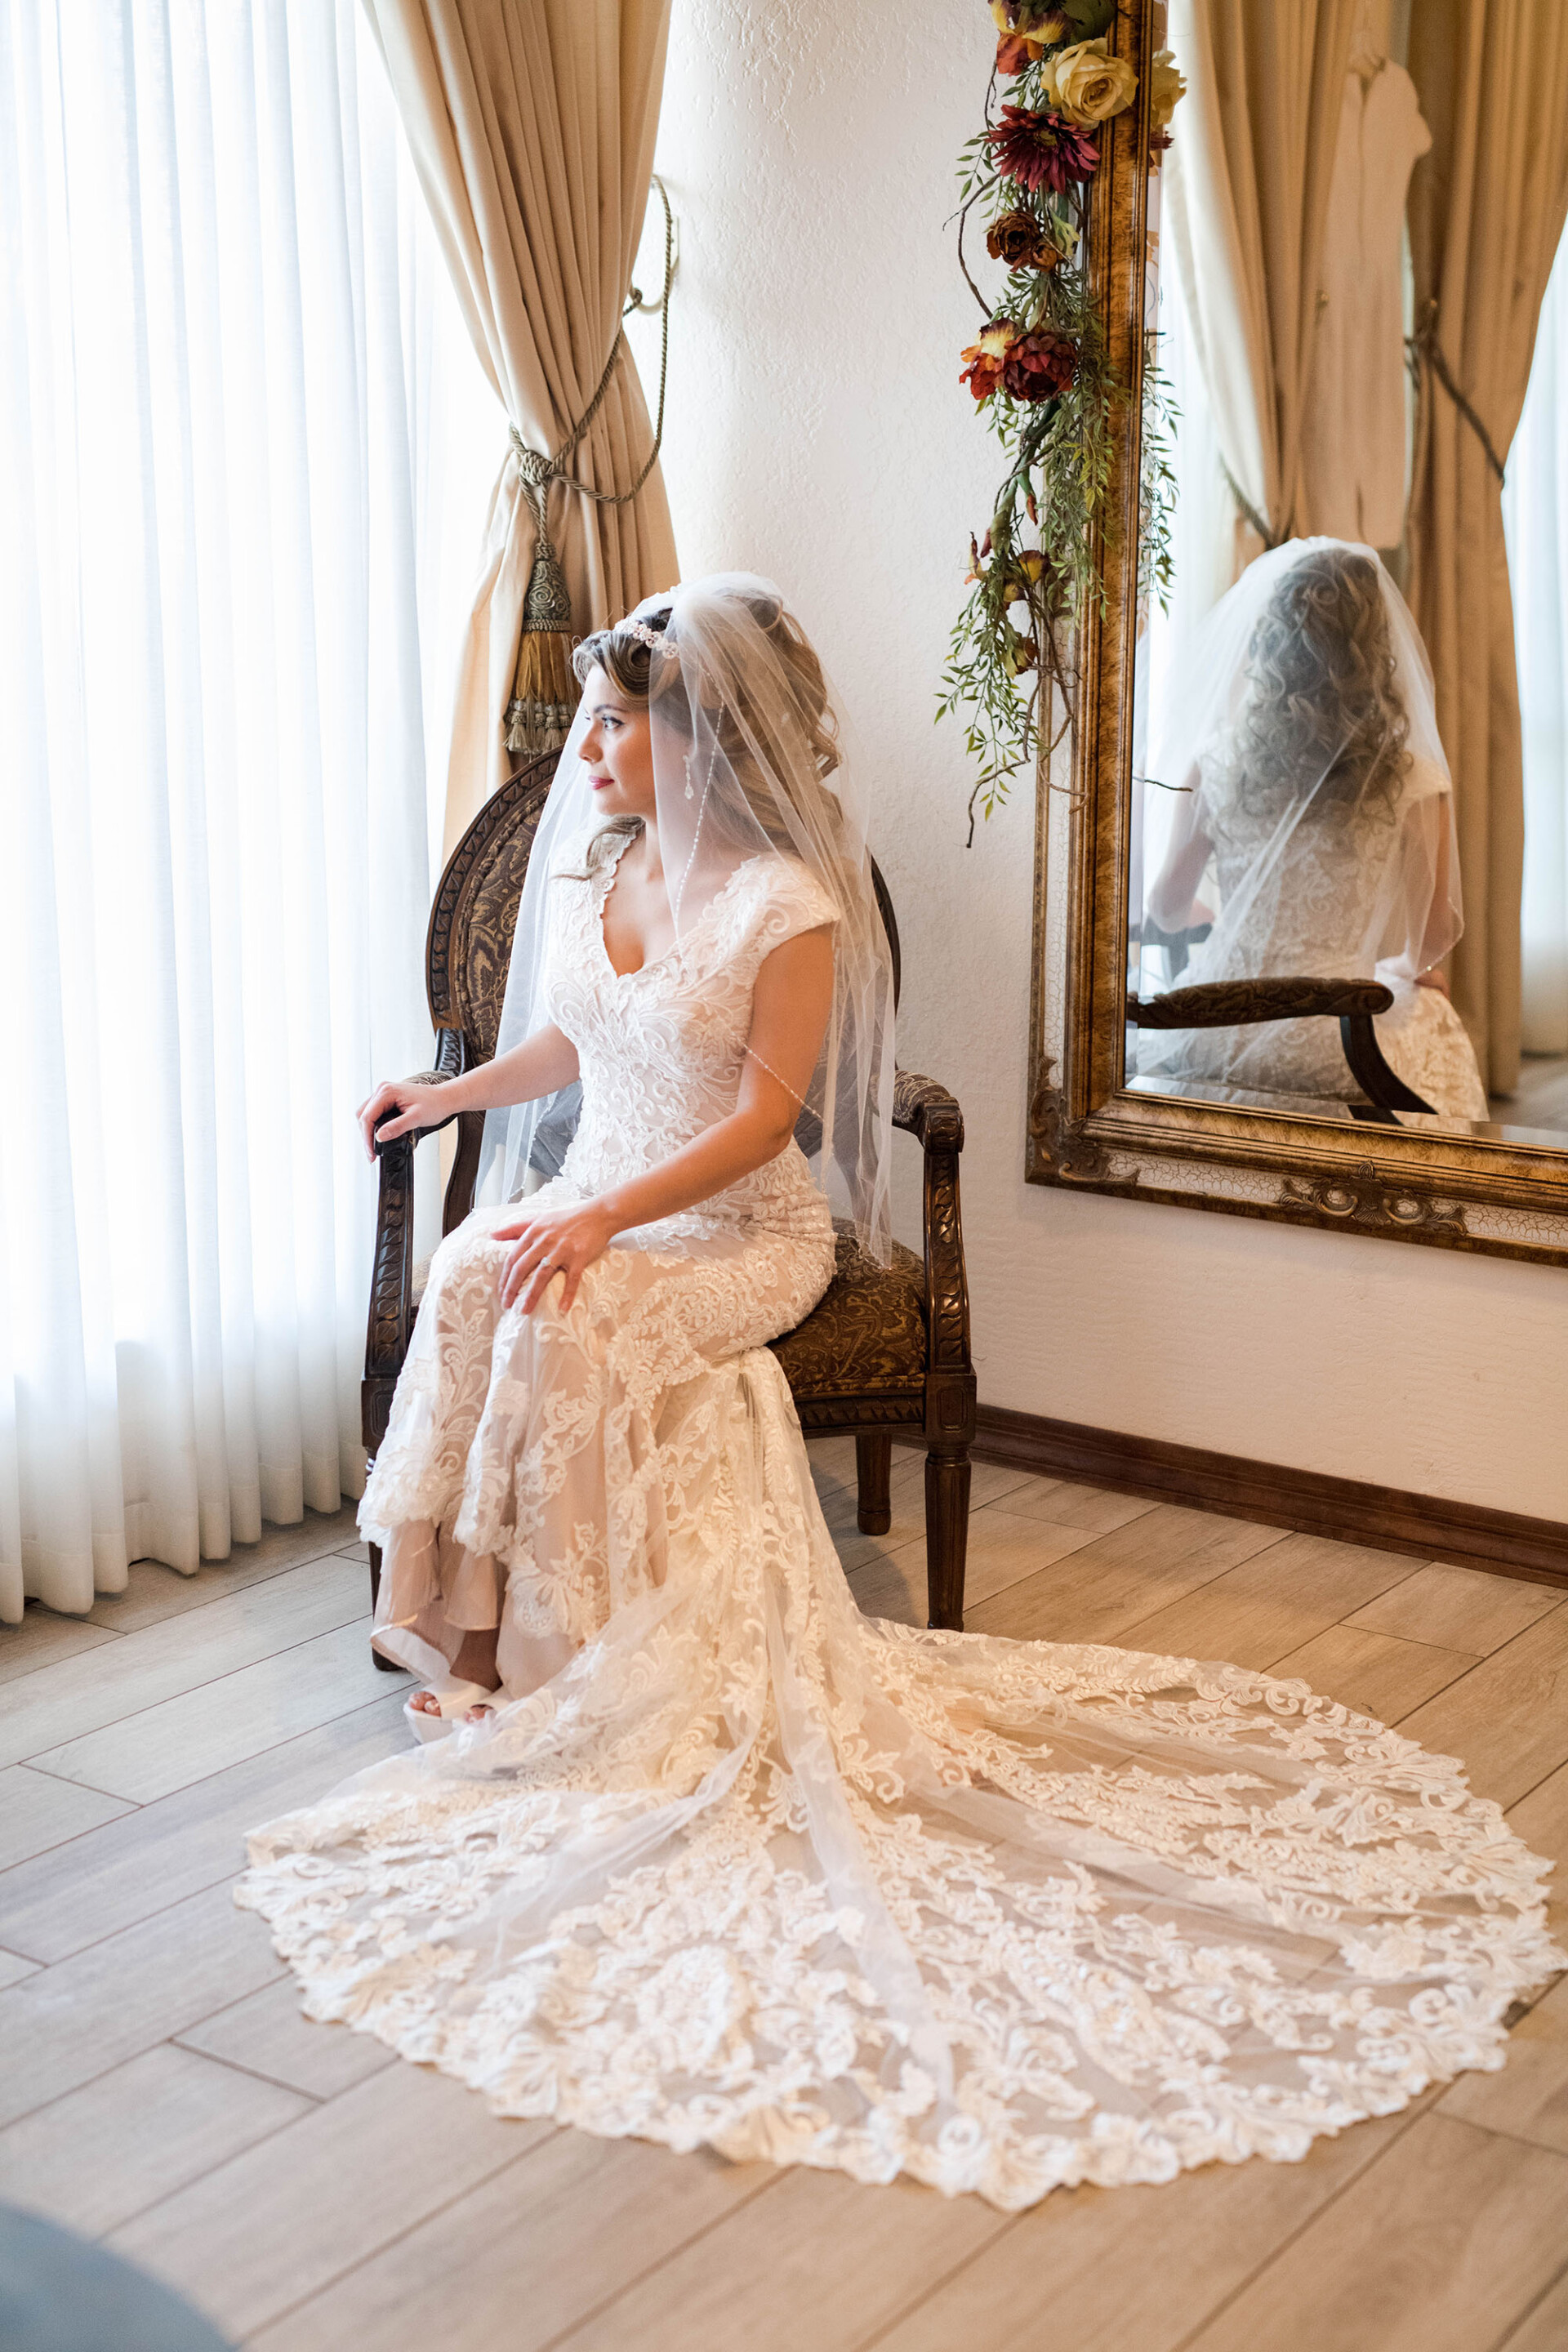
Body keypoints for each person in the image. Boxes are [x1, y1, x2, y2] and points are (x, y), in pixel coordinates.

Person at [239, 574, 1557, 2212]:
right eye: (588, 727)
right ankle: (453, 1616)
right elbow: (580, 1051)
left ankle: (542, 1666)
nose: (583, 752)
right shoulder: (611, 870)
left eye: (611, 726)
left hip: (738, 1230)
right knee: (465, 1273)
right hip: (614, 1196)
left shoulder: (789, 902)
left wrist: (598, 1217)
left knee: (576, 1310)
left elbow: (762, 1132)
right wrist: (451, 1092)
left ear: (697, 734)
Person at [1139, 540, 1490, 1118]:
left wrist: (1222, 920)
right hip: (1339, 1041)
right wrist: (1400, 971)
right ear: (1376, 651)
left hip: (1215, 1023)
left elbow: (1168, 912)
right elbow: (1428, 942)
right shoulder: (1413, 778)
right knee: (1433, 1014)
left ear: (1270, 644)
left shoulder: (1215, 765)